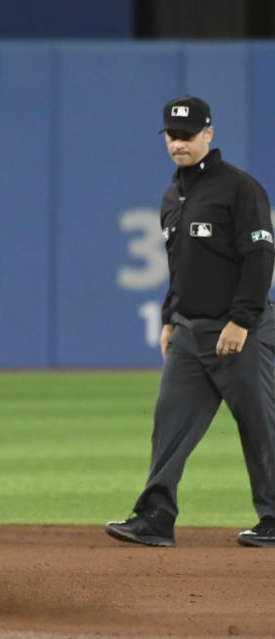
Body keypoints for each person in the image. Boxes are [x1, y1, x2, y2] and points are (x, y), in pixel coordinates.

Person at [105, 95, 275, 548]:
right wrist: (168, 319)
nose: (179, 143)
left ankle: (274, 515)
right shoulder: (173, 193)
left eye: (188, 135)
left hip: (241, 330)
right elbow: (180, 266)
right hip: (189, 330)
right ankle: (156, 516)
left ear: (209, 134)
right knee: (170, 420)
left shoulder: (240, 188)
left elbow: (260, 257)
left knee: (260, 423)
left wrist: (241, 321)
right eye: (172, 136)